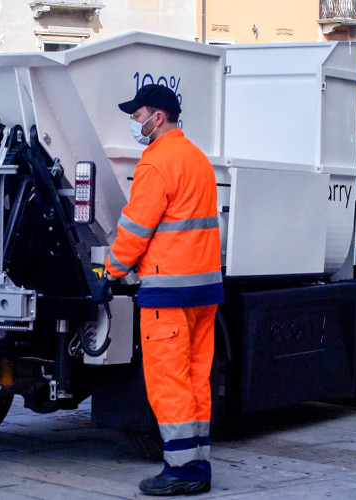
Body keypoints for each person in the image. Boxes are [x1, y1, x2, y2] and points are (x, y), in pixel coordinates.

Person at [101, 84, 223, 496]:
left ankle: (182, 472)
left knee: (168, 381)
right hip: (204, 291)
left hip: (167, 292)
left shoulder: (157, 163)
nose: (134, 123)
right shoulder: (197, 159)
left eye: (137, 115)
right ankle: (198, 462)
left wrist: (110, 271)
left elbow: (136, 226)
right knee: (195, 379)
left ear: (157, 117)